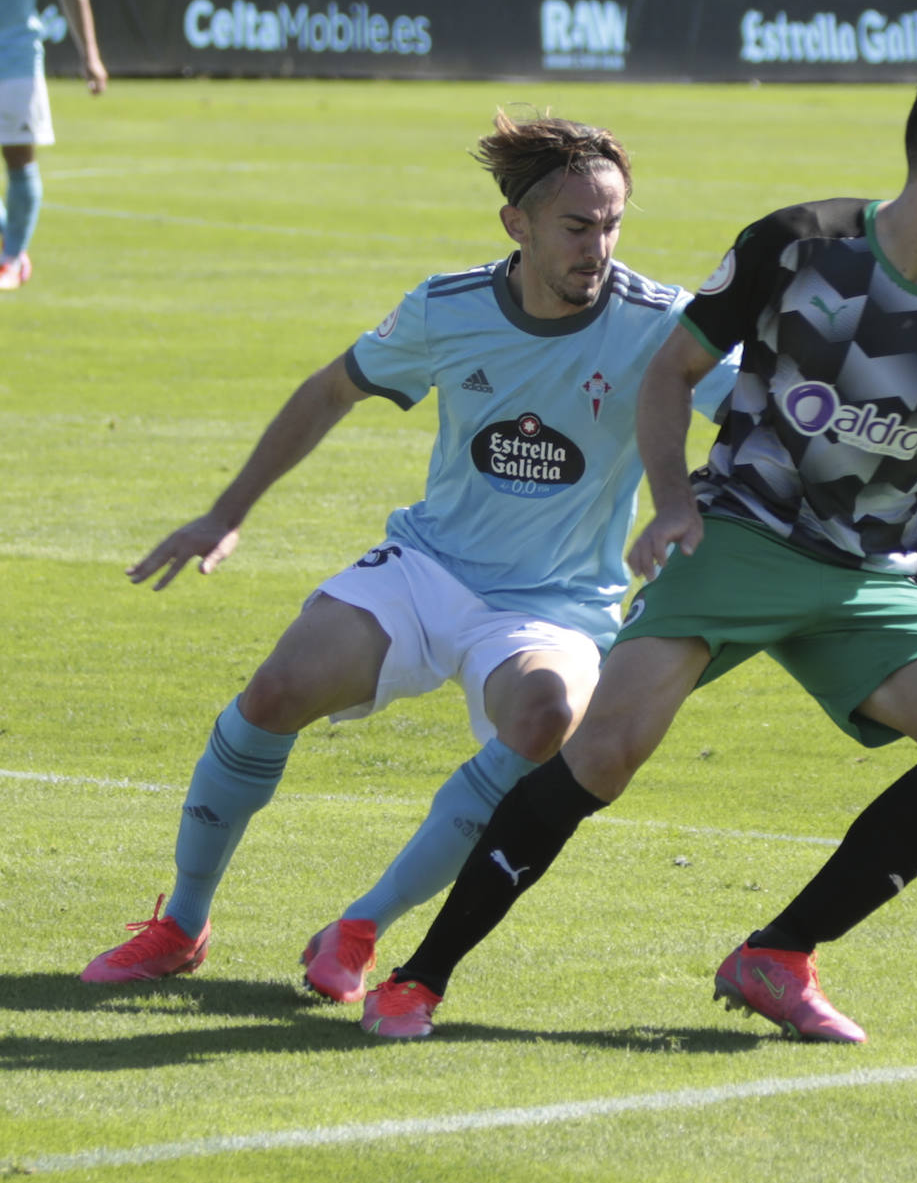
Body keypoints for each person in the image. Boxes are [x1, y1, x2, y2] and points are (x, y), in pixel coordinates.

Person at [359, 66, 917, 1043]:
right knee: (600, 752)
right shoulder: (798, 245)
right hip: (737, 534)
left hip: (862, 576)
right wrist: (676, 498)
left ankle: (780, 953)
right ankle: (419, 976)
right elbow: (669, 373)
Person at [80, 110, 739, 999]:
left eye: (615, 222)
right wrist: (224, 513)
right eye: (578, 226)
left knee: (546, 716)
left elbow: (767, 410)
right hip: (430, 570)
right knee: (274, 690)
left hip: (555, 603)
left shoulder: (663, 323)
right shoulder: (448, 307)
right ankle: (181, 923)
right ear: (519, 224)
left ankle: (361, 926)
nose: (602, 247)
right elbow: (328, 392)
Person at [0, 0, 106, 290]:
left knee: (18, 158)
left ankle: (13, 258)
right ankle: (9, 237)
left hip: (15, 60)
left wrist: (90, 56)